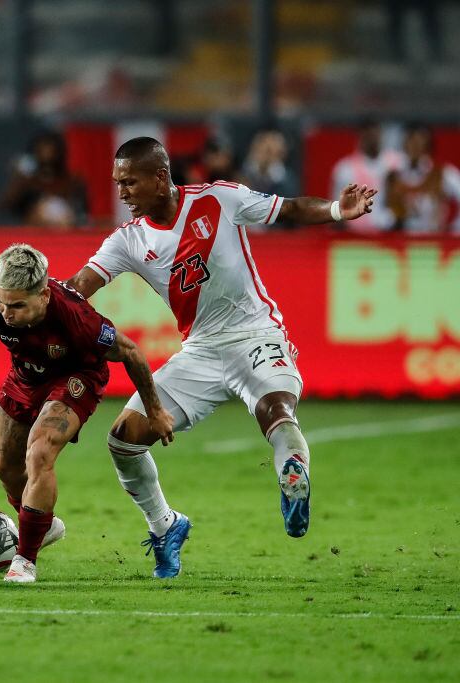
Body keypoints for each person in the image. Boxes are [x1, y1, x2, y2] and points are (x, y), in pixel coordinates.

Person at [66, 137, 376, 578]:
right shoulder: (128, 240)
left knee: (275, 408)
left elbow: (287, 209)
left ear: (159, 177)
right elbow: (79, 285)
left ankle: (292, 474)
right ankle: (165, 526)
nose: (122, 193)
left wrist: (335, 212)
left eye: (130, 182)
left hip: (255, 333)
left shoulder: (220, 199)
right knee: (123, 438)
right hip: (200, 352)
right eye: (118, 183)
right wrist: (33, 298)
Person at [0, 244, 174, 584]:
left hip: (76, 377)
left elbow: (131, 352)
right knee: (2, 464)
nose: (6, 312)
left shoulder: (76, 318)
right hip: (25, 376)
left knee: (40, 451)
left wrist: (155, 410)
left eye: (17, 305)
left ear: (43, 295)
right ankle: (42, 525)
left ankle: (25, 561)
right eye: (2, 302)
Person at [385, 123, 460, 234]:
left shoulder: (443, 173)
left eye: (418, 142)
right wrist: (391, 219)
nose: (415, 147)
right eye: (411, 141)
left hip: (433, 240)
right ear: (405, 145)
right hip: (401, 240)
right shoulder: (393, 176)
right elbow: (379, 210)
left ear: (427, 145)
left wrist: (454, 230)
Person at [4, 130, 88, 228]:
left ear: (59, 153)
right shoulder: (26, 181)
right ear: (34, 153)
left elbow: (82, 213)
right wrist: (17, 178)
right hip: (34, 230)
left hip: (67, 229)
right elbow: (8, 205)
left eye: (50, 151)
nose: (46, 154)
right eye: (41, 150)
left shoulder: (73, 181)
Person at [329, 121, 402, 233]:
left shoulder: (396, 162)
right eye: (369, 135)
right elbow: (337, 209)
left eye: (375, 134)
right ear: (361, 136)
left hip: (390, 232)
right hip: (356, 235)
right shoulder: (345, 168)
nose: (373, 139)